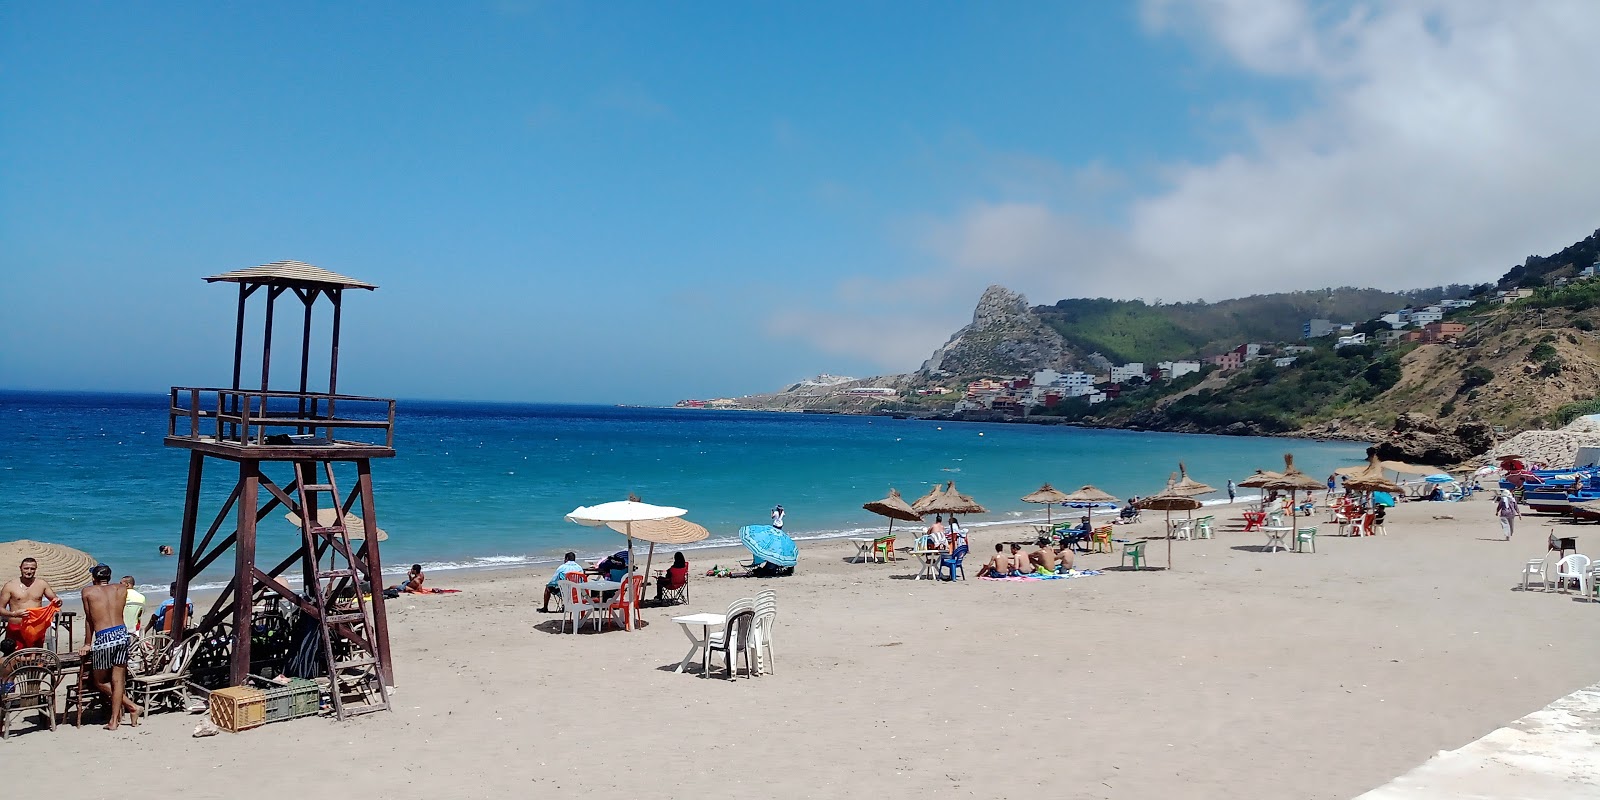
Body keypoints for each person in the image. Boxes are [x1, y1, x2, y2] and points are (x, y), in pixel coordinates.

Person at [79, 565, 141, 730]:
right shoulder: (121, 589)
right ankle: (114, 720)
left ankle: (132, 707)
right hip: (121, 634)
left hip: (104, 637)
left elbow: (89, 619)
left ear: (93, 578)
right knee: (118, 680)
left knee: (99, 681)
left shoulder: (88, 592)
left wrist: (87, 643)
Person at [1, 557, 62, 649]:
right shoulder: (10, 586)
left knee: (36, 657)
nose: (29, 571)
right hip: (16, 627)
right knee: (14, 658)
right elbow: (1, 609)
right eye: (26, 568)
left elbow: (56, 601)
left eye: (32, 569)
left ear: (36, 569)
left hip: (36, 628)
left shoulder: (42, 584)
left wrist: (58, 601)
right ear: (20, 568)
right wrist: (14, 614)